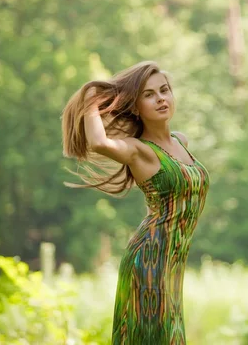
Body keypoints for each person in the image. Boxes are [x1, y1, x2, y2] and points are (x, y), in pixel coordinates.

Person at [61, 61, 210, 344]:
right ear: (136, 107)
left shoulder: (182, 141)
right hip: (149, 262)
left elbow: (164, 197)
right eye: (149, 94)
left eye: (164, 90)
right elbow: (99, 143)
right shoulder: (138, 150)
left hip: (171, 263)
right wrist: (91, 96)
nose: (161, 98)